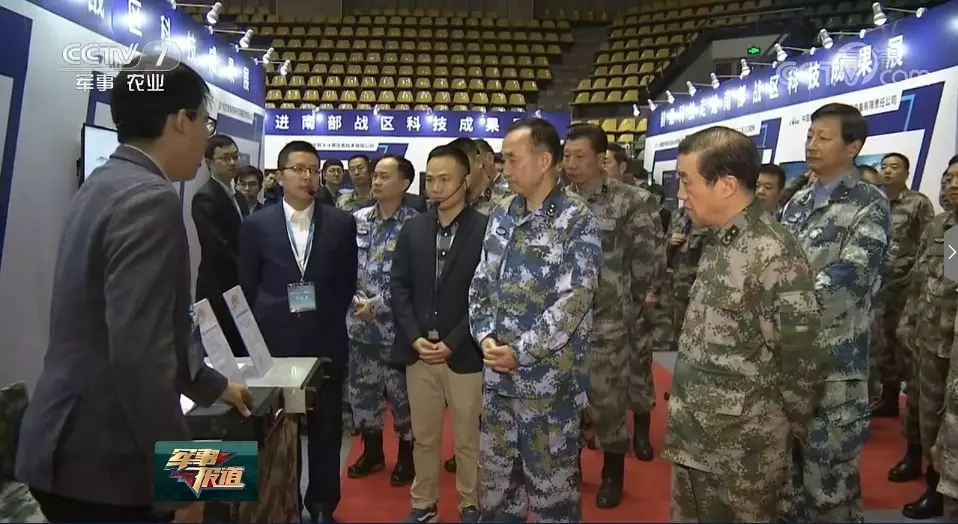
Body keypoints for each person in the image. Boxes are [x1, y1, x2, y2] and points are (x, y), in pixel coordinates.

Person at [16, 56, 252, 523]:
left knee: (245, 470)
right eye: (206, 124)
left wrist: (214, 385)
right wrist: (183, 485)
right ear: (180, 121)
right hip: (104, 460)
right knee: (232, 483)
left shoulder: (105, 181)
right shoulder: (151, 199)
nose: (206, 138)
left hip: (66, 442)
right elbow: (139, 356)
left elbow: (151, 328)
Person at [663, 126, 825, 522]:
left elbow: (803, 362)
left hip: (742, 455)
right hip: (696, 439)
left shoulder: (772, 252)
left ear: (726, 185)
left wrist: (777, 434)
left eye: (687, 181)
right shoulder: (721, 239)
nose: (680, 194)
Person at [469, 117, 602, 522]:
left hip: (548, 389)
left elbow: (573, 301)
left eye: (512, 159)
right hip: (498, 383)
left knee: (552, 498)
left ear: (543, 161)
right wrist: (485, 336)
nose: (504, 168)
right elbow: (481, 282)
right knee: (496, 493)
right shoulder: (502, 213)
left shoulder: (576, 219)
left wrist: (520, 352)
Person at [778, 103, 890, 522]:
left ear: (853, 146)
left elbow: (850, 278)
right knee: (786, 484)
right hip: (787, 364)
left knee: (829, 487)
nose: (812, 144)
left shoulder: (869, 203)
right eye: (810, 136)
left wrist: (781, 309)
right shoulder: (797, 203)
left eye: (823, 137)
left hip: (834, 369)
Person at [238, 140, 357, 523]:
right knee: (277, 429)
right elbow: (248, 283)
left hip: (325, 339)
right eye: (299, 169)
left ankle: (322, 505)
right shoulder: (257, 224)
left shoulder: (340, 223)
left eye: (313, 170)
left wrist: (325, 318)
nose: (308, 177)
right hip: (275, 342)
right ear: (280, 175)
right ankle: (283, 502)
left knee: (326, 428)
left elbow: (346, 282)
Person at [564, 124, 664, 507]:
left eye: (580, 156)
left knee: (608, 404)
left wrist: (629, 309)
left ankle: (612, 473)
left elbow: (646, 260)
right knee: (567, 402)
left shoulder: (629, 201)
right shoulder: (557, 200)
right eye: (567, 156)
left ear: (600, 158)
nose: (571, 164)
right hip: (563, 325)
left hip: (608, 321)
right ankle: (569, 469)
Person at [391, 145, 487, 523]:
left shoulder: (486, 230)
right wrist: (414, 336)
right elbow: (399, 287)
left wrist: (453, 341)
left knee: (467, 438)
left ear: (466, 181)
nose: (435, 187)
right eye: (430, 179)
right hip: (419, 351)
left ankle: (471, 503)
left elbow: (486, 295)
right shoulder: (413, 228)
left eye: (445, 179)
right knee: (424, 436)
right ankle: (423, 504)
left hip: (463, 352)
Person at [345, 155, 419, 486]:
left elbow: (416, 280)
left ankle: (407, 456)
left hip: (396, 329)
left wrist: (380, 304)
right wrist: (356, 302)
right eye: (375, 175)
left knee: (402, 395)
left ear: (404, 183)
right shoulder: (357, 220)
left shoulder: (416, 225)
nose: (375, 181)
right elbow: (345, 267)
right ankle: (372, 451)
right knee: (363, 391)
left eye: (384, 176)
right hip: (360, 327)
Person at [896, 162, 958, 521]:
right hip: (926, 336)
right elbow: (921, 278)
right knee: (919, 404)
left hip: (949, 345)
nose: (951, 185)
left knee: (942, 416)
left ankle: (938, 487)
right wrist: (909, 320)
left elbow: (953, 286)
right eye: (947, 179)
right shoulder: (941, 226)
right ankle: (915, 458)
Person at [192, 134, 249, 356]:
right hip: (217, 286)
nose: (233, 162)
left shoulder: (239, 198)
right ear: (209, 162)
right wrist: (247, 266)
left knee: (242, 349)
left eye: (235, 156)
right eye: (225, 158)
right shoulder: (205, 197)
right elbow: (216, 245)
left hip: (238, 287)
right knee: (221, 355)